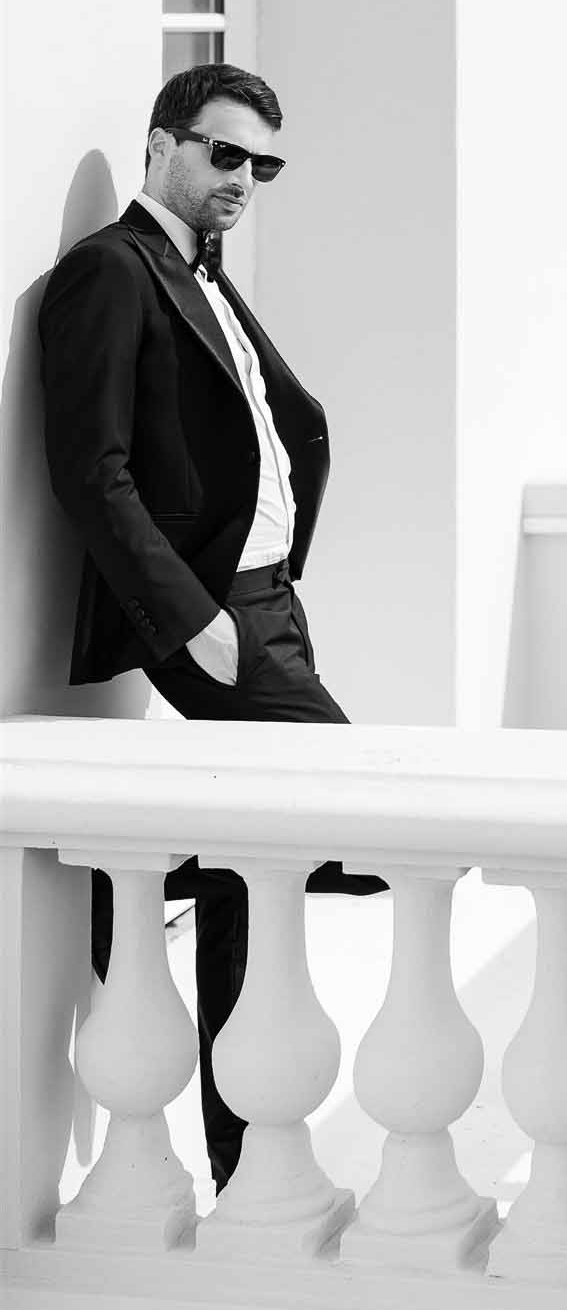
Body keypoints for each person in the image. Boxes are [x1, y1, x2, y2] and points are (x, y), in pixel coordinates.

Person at [39, 63, 382, 1193]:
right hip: (220, 613)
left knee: (258, 861)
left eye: (262, 164)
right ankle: (134, 869)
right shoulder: (109, 274)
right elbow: (93, 471)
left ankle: (244, 1151)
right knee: (348, 810)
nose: (244, 179)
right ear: (160, 146)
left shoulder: (204, 270)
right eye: (225, 153)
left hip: (271, 597)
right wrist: (195, 621)